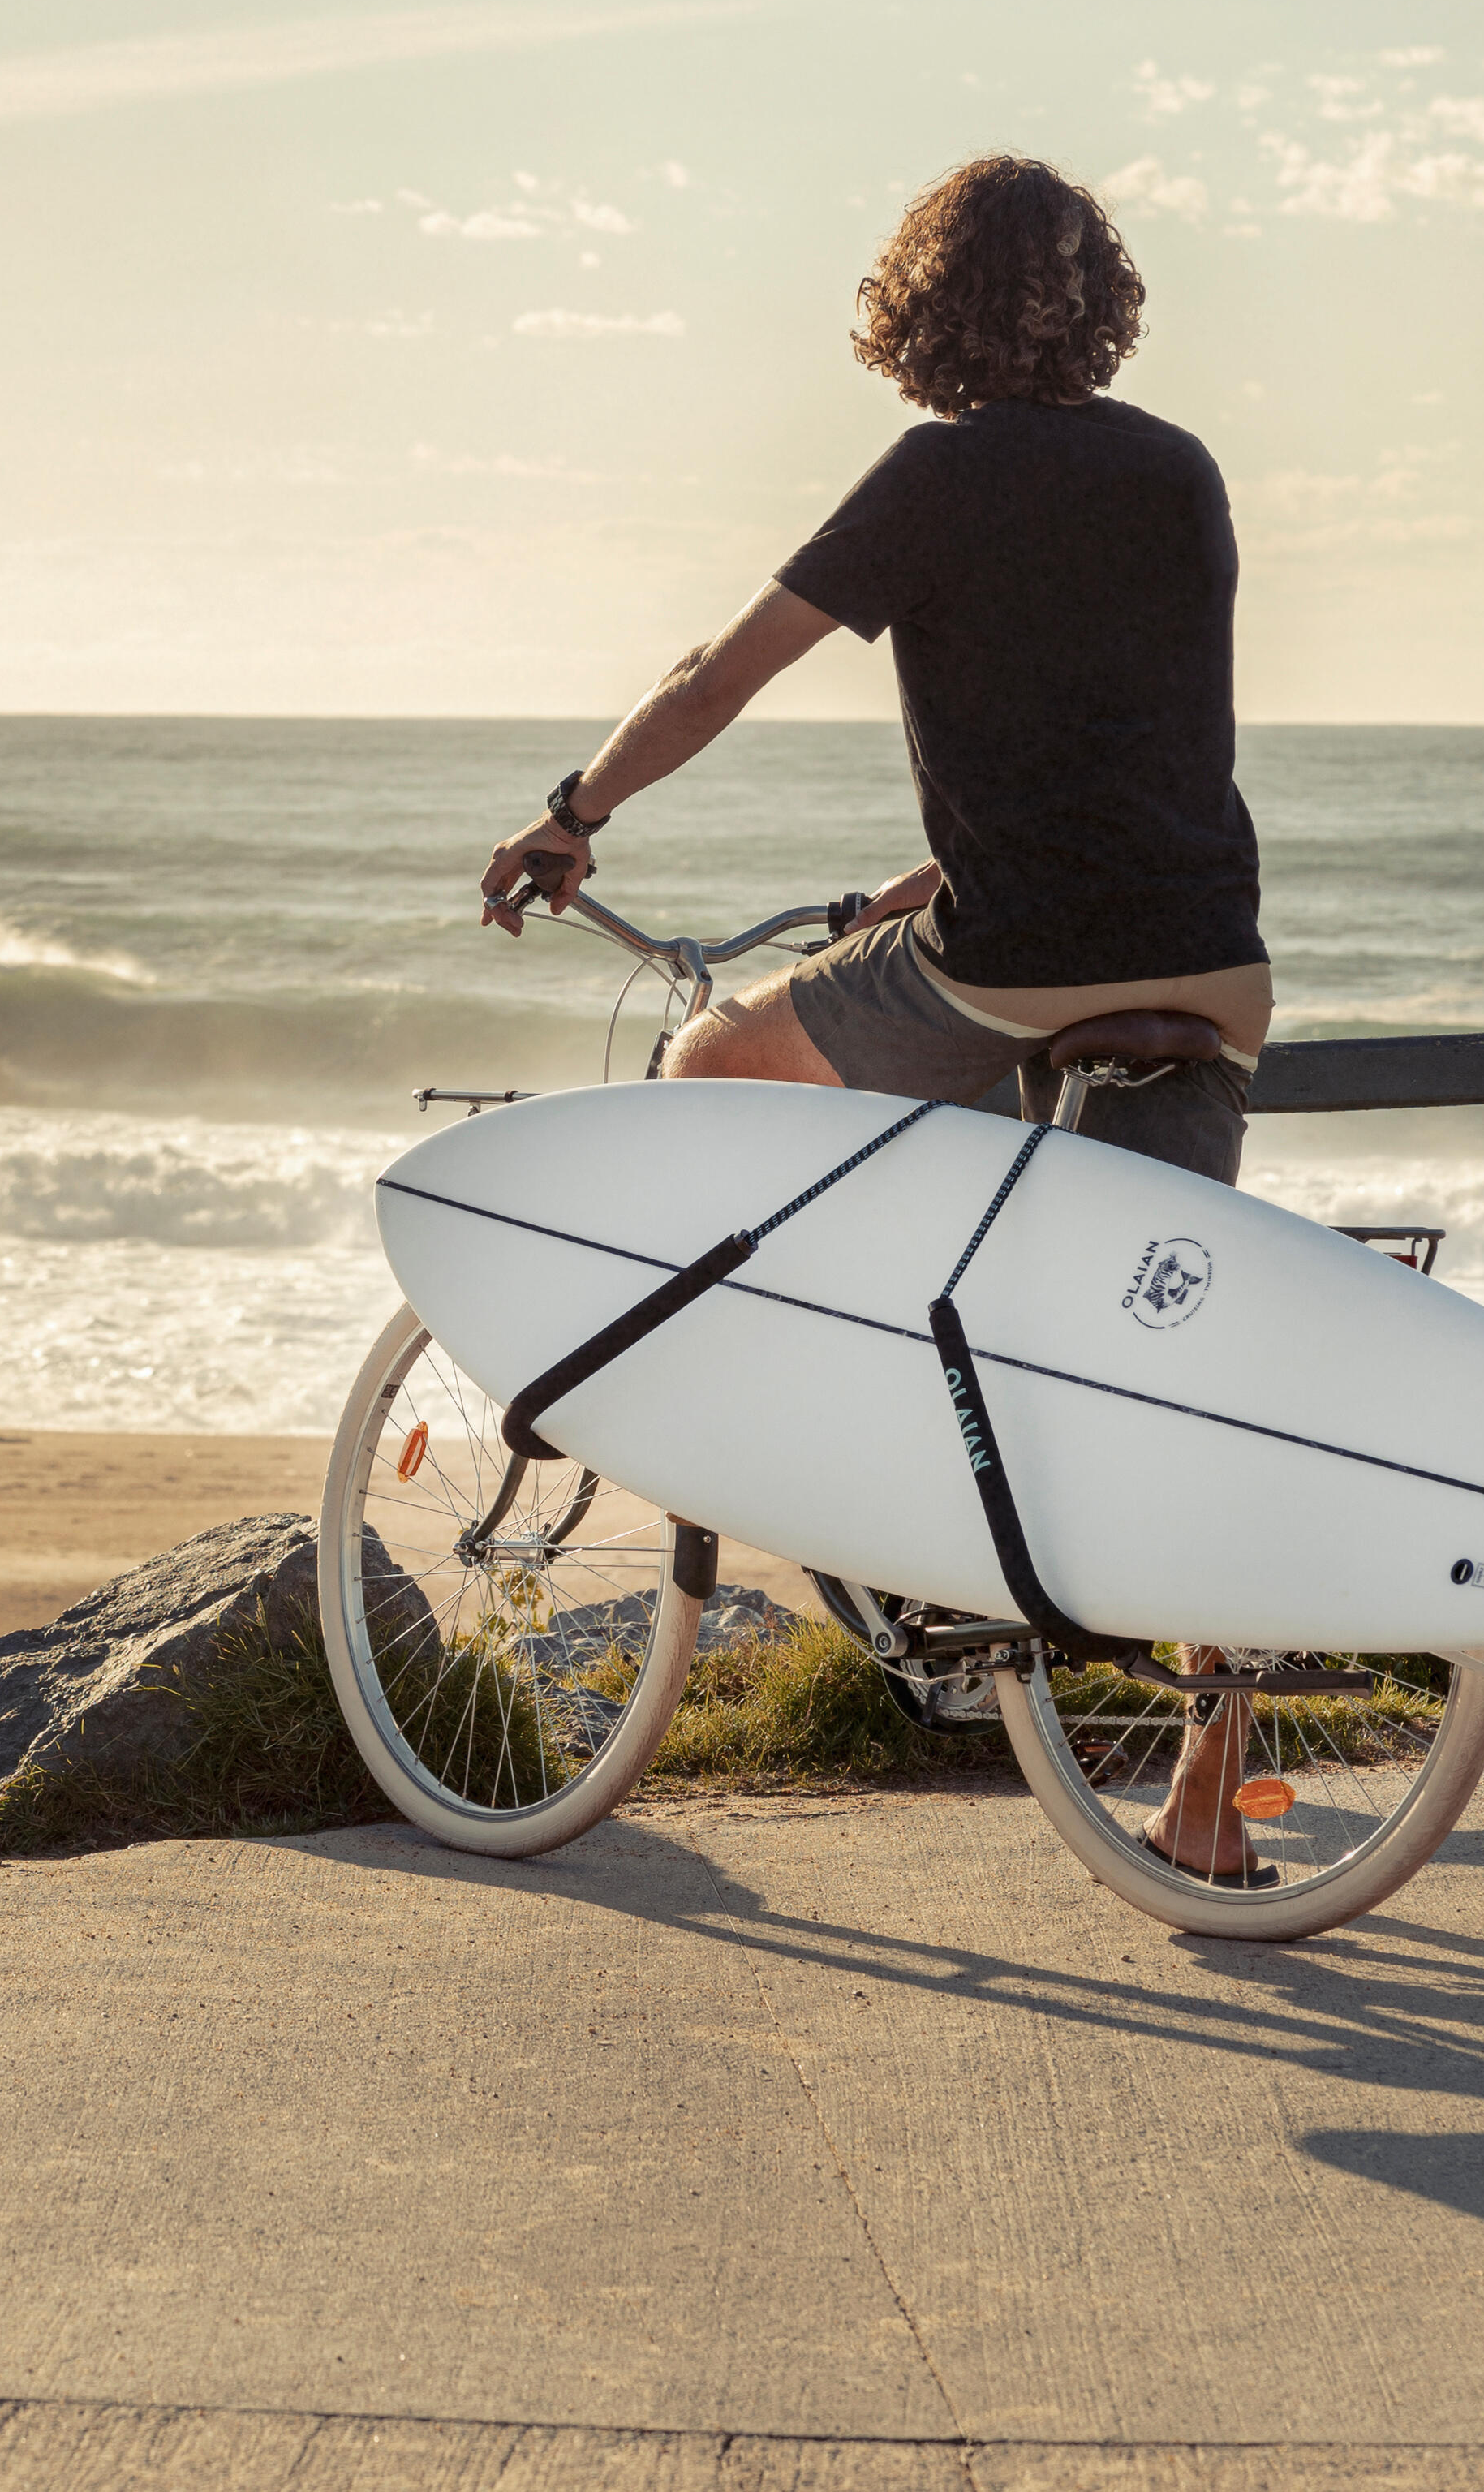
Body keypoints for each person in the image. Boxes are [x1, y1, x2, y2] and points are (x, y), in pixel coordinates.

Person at [477, 153, 1273, 1885]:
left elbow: (719, 674)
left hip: (1023, 956)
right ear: (1102, 302)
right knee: (1164, 1368)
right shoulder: (1178, 470)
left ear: (927, 311)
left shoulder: (936, 476)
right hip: (1211, 960)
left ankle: (807, 1418)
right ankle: (1207, 1791)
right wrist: (938, 871)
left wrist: (576, 813)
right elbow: (1116, 731)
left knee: (712, 1064)